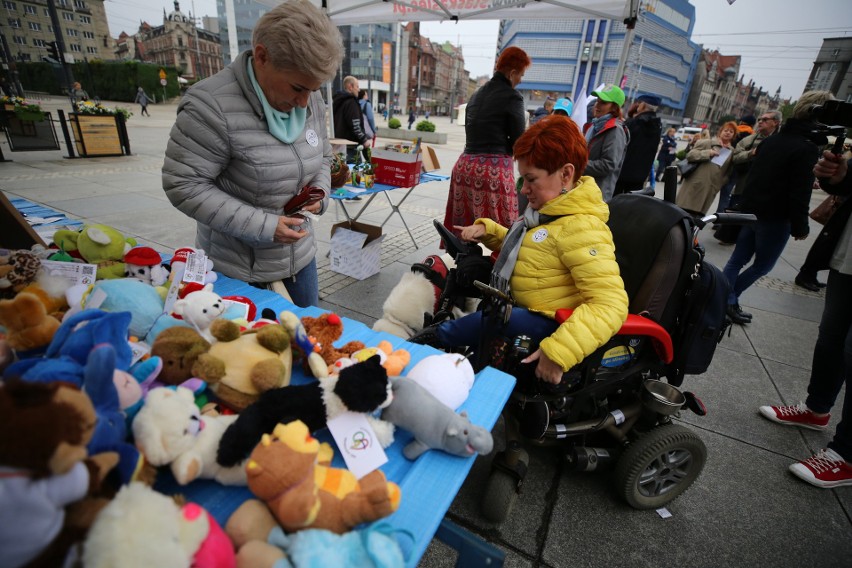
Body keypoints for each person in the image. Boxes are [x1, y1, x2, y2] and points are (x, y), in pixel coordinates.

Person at [414, 115, 628, 383]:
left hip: (551, 323)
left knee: (498, 320)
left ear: (566, 174)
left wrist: (560, 351)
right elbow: (534, 252)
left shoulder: (582, 227)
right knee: (489, 314)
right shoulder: (548, 214)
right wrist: (489, 232)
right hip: (521, 309)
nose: (524, 189)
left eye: (531, 179)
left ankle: (428, 341)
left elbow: (611, 304)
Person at [162, 0, 343, 308]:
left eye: (312, 90)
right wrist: (265, 226)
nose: (304, 103)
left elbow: (324, 157)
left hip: (300, 261)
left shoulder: (311, 101)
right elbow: (183, 184)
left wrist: (321, 191)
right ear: (262, 57)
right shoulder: (210, 106)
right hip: (238, 270)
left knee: (304, 346)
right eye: (298, 88)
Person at [758, 150, 852, 488]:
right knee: (831, 338)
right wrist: (837, 176)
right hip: (848, 255)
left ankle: (847, 455)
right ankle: (816, 408)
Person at [721, 91, 834, 325]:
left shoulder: (771, 141)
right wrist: (800, 226)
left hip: (753, 213)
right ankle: (728, 299)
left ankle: (719, 297)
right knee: (763, 266)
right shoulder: (805, 148)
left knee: (737, 260)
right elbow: (799, 192)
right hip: (775, 218)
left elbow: (754, 178)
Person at [442, 46, 531, 236]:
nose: (520, 80)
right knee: (499, 230)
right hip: (492, 170)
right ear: (512, 73)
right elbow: (519, 142)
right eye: (520, 75)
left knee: (466, 230)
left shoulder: (476, 95)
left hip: (464, 167)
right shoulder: (513, 97)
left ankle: (462, 263)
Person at [675, 121, 737, 217]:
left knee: (697, 218)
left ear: (733, 135)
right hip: (694, 185)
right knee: (682, 213)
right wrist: (708, 153)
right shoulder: (707, 143)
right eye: (726, 130)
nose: (728, 133)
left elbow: (728, 171)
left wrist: (719, 183)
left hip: (711, 189)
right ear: (720, 132)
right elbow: (690, 155)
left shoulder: (731, 151)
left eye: (731, 131)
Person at [727, 110, 781, 210]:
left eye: (765, 119)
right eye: (759, 119)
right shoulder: (748, 140)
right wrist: (750, 153)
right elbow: (735, 157)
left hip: (767, 194)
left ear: (776, 122)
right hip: (742, 190)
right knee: (731, 221)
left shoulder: (782, 142)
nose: (760, 122)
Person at [582, 85, 628, 201]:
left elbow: (608, 165)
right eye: (597, 101)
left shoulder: (615, 130)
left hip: (596, 195)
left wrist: (579, 163)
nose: (597, 105)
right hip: (583, 190)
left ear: (614, 108)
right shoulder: (594, 125)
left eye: (603, 102)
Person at [614, 94, 662, 195]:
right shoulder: (657, 126)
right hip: (640, 176)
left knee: (614, 203)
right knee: (631, 205)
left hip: (622, 174)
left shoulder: (634, 123)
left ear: (643, 105)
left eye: (639, 103)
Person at [332, 76, 369, 161]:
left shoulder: (338, 102)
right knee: (354, 172)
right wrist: (364, 140)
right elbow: (355, 125)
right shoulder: (351, 103)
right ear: (350, 87)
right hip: (351, 148)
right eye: (357, 86)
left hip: (340, 146)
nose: (359, 90)